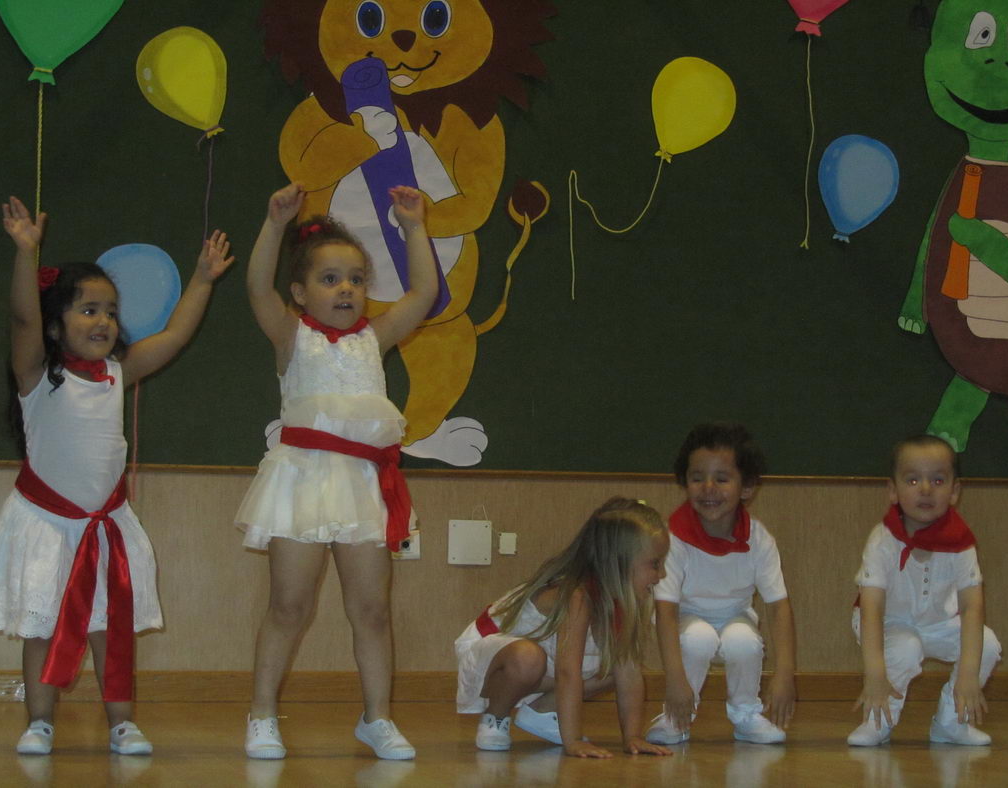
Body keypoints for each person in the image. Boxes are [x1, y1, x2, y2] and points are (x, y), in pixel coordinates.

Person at [0, 196, 233, 755]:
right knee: (41, 627)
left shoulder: (119, 373)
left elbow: (175, 337)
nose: (103, 321)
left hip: (106, 525)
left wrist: (202, 280)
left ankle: (122, 722)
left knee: (107, 626)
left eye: (111, 311)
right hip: (47, 524)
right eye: (88, 309)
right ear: (54, 326)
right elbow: (22, 315)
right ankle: (39, 720)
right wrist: (25, 253)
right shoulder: (37, 377)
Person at [237, 183, 437, 760]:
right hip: (301, 481)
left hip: (361, 488)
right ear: (300, 292)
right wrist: (274, 225)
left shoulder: (375, 339)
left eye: (355, 278)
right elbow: (255, 286)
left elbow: (424, 291)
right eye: (330, 279)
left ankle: (377, 718)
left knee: (371, 610)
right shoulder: (291, 336)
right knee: (288, 606)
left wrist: (414, 227)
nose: (346, 288)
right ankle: (262, 713)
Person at [454, 497, 673, 759]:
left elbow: (629, 674)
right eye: (655, 564)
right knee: (527, 658)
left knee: (614, 670)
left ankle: (542, 712)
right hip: (489, 654)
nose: (662, 575)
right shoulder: (576, 595)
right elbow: (567, 673)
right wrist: (573, 742)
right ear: (620, 563)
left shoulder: (621, 599)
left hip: (538, 661)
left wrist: (633, 737)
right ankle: (495, 717)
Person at [647, 422, 796, 745]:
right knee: (698, 638)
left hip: (734, 615)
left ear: (746, 488)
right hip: (685, 617)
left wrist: (784, 674)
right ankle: (677, 717)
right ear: (684, 483)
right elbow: (666, 612)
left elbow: (778, 607)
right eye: (697, 478)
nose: (708, 487)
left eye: (722, 478)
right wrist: (674, 682)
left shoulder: (759, 538)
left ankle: (745, 714)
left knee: (744, 639)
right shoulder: (672, 539)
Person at [847, 435, 1001, 746]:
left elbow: (972, 607)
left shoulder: (962, 542)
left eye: (938, 480)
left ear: (955, 491)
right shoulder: (883, 539)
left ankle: (951, 721)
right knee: (905, 648)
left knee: (988, 645)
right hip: (888, 624)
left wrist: (969, 677)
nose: (926, 489)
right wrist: (875, 675)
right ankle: (879, 720)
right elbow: (872, 608)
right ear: (893, 490)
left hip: (938, 623)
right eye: (913, 479)